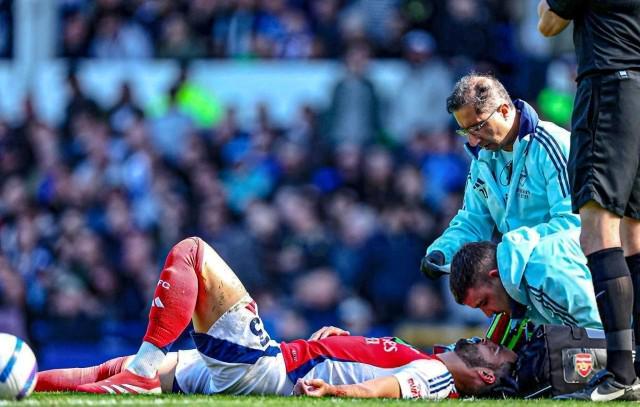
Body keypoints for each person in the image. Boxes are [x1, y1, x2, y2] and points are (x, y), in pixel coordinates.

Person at [35, 237, 516, 399]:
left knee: (192, 252)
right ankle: (22, 388)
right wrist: (336, 344)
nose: (488, 340)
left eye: (495, 351)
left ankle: (143, 370)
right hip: (270, 364)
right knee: (106, 371)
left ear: (486, 375)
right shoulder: (429, 360)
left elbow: (385, 389)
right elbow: (374, 368)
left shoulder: (438, 378)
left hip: (265, 368)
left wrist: (336, 391)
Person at [537, 0, 640, 401]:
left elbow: (548, 23)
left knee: (598, 233)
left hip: (609, 88)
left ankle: (621, 374)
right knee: (634, 236)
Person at [420, 73, 579, 279]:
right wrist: (442, 251)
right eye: (465, 131)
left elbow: (571, 224)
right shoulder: (483, 158)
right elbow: (473, 220)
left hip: (565, 276)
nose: (473, 141)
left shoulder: (553, 146)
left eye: (477, 127)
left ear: (504, 111)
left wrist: (507, 250)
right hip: (521, 279)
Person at [449, 229, 601, 330]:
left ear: (495, 275)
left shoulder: (544, 275)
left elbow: (597, 332)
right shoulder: (523, 282)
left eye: (484, 302)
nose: (488, 314)